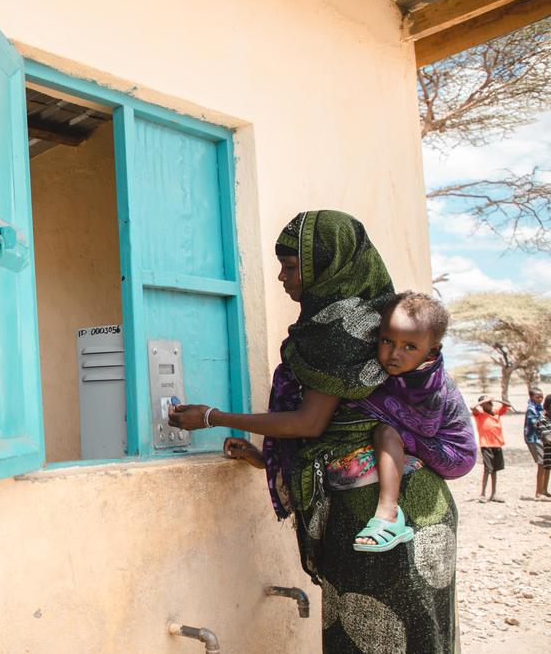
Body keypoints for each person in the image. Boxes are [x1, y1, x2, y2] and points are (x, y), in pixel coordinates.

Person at [169, 210, 459, 652]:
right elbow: (349, 427)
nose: (282, 277)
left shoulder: (338, 329)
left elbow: (310, 423)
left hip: (373, 514)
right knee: (421, 634)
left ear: (330, 263)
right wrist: (264, 457)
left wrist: (213, 416)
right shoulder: (382, 316)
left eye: (291, 265)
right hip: (421, 503)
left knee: (370, 635)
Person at [347, 291, 475, 552]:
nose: (394, 354)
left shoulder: (430, 383)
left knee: (385, 431)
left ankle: (389, 514)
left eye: (409, 347)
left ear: (432, 351)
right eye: (386, 341)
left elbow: (424, 427)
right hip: (430, 441)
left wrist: (359, 401)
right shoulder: (403, 371)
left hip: (452, 452)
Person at [471, 394, 509, 502]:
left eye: (489, 402)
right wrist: (482, 402)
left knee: (495, 470)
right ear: (482, 405)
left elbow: (507, 405)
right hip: (486, 444)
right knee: (487, 469)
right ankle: (482, 494)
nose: (489, 404)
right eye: (486, 403)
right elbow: (472, 407)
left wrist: (496, 399)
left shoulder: (496, 412)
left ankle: (493, 494)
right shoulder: (480, 414)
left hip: (497, 444)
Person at [523, 387, 551, 500]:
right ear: (531, 397)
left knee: (547, 464)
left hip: (541, 438)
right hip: (534, 439)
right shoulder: (531, 409)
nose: (540, 399)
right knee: (541, 464)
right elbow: (536, 424)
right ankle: (538, 493)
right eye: (537, 397)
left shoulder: (539, 407)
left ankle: (544, 489)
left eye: (541, 397)